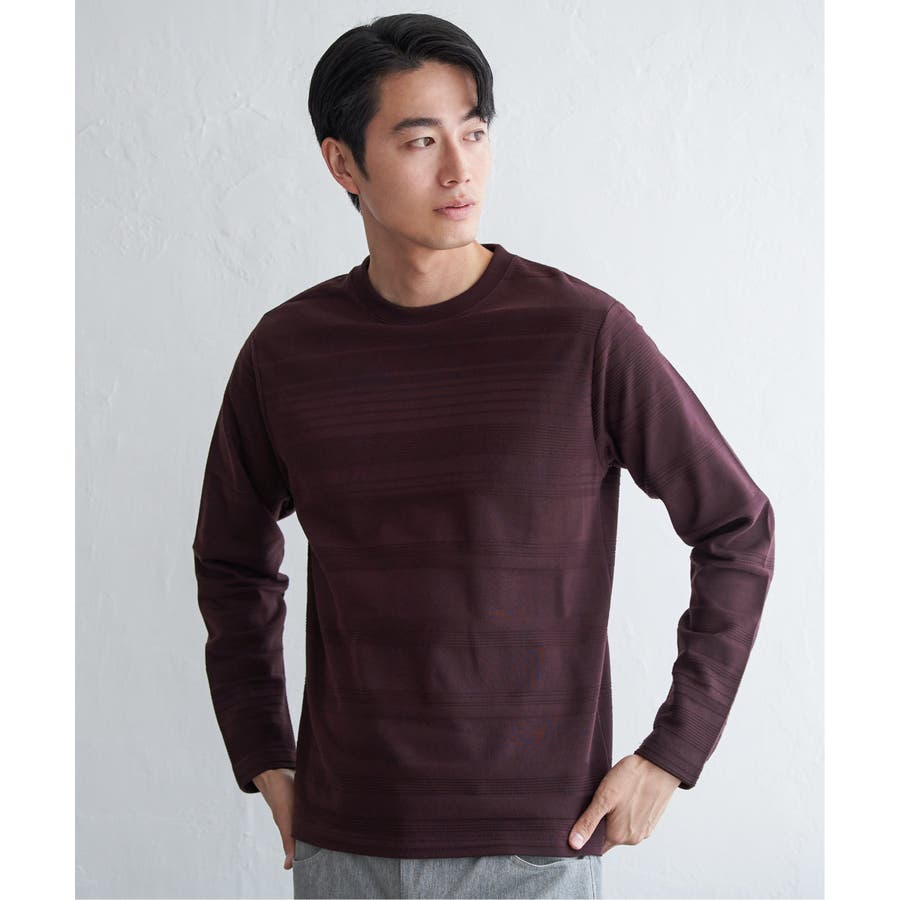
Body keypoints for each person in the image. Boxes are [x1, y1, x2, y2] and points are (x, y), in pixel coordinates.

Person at [191, 12, 776, 900]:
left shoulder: (583, 335)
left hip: (538, 845)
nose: (461, 170)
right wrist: (263, 751)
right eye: (420, 141)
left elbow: (737, 527)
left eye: (474, 133)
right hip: (347, 842)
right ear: (343, 164)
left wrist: (673, 751)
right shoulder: (287, 352)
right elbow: (231, 560)